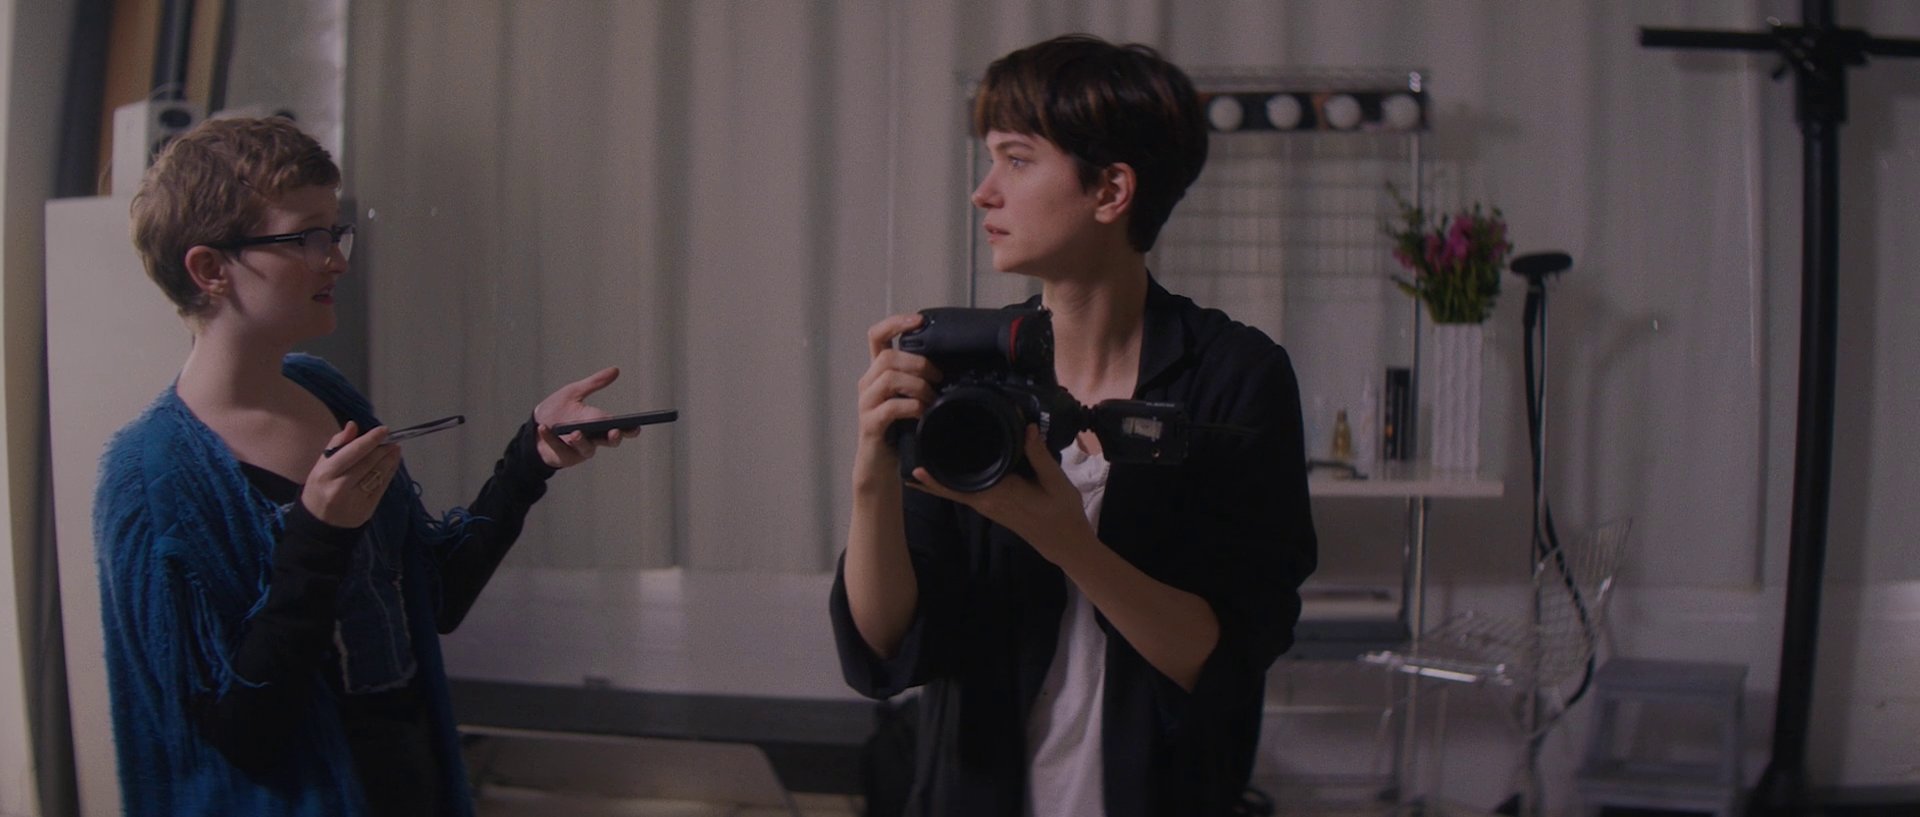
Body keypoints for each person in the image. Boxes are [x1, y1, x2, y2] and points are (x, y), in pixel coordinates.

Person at [94, 116, 639, 816]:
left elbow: (432, 596)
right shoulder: (149, 480)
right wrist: (318, 534)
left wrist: (530, 458)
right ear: (210, 269)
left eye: (335, 233)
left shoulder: (325, 392)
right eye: (305, 237)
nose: (337, 260)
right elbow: (238, 734)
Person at [831, 35, 1318, 816]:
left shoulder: (1234, 377)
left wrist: (1065, 539)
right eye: (990, 158)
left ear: (1111, 190)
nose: (983, 192)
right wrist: (869, 471)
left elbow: (1223, 655)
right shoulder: (965, 371)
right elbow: (886, 643)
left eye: (1017, 160)